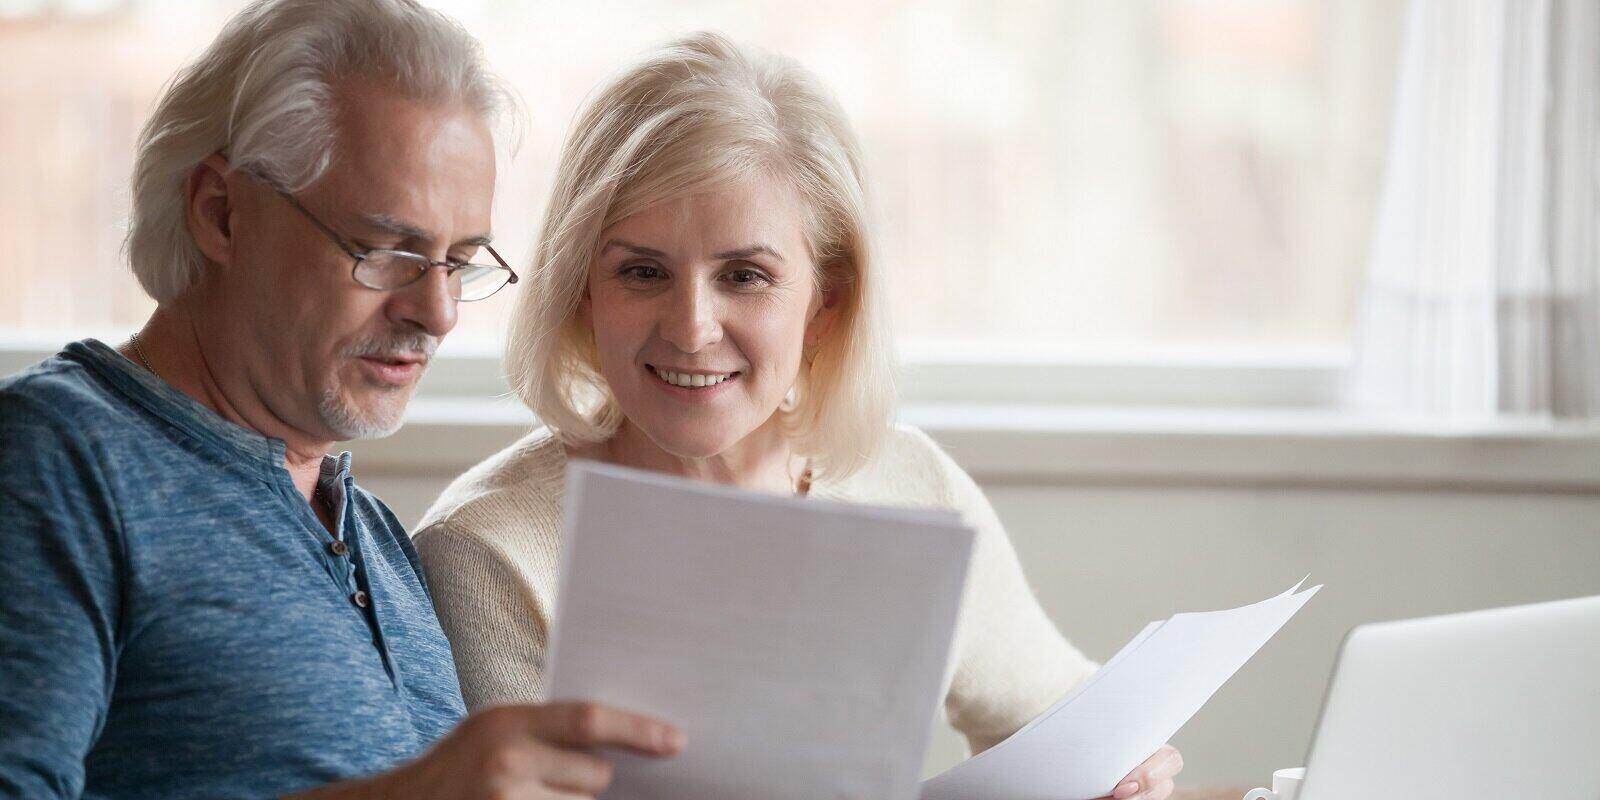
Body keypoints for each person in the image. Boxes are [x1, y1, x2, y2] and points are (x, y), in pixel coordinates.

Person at [415, 32, 1183, 800]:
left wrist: (1124, 767)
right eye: (643, 271)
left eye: (745, 276)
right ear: (582, 288)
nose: (691, 328)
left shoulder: (910, 484)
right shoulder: (488, 550)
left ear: (827, 302)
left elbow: (1057, 718)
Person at [0, 2, 681, 798]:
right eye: (389, 252)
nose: (438, 313)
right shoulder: (52, 462)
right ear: (220, 213)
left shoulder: (378, 539)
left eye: (459, 262)